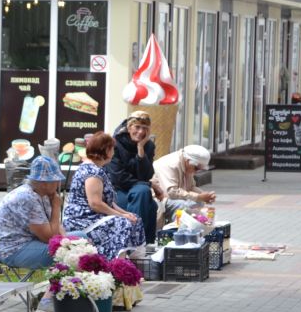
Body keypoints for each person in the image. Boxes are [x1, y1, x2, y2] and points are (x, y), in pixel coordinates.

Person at [62, 132, 146, 259]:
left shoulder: (99, 169)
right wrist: (122, 216)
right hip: (81, 220)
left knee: (135, 219)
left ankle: (137, 263)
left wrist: (126, 213)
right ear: (106, 150)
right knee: (122, 223)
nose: (114, 152)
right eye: (113, 149)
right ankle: (117, 263)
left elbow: (108, 202)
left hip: (94, 217)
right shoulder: (92, 171)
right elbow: (95, 204)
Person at [0, 154, 69, 271]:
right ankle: (68, 285)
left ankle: (72, 284)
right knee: (65, 251)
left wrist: (66, 240)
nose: (59, 183)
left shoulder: (43, 193)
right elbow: (50, 238)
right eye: (55, 180)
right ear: (44, 183)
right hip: (13, 249)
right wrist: (56, 207)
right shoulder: (27, 198)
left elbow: (56, 228)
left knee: (81, 240)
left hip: (30, 241)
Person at [105, 110, 164, 244]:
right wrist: (150, 185)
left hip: (137, 188)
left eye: (145, 128)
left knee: (150, 203)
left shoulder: (148, 145)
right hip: (117, 189)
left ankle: (142, 242)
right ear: (129, 127)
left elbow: (147, 174)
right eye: (137, 127)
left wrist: (141, 150)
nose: (141, 132)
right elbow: (118, 178)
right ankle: (137, 241)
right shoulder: (115, 144)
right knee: (145, 196)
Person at [151, 145, 216, 224]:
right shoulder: (171, 164)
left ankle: (194, 226)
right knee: (182, 206)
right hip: (158, 198)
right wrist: (198, 197)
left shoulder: (188, 165)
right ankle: (179, 231)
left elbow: (191, 187)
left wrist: (204, 195)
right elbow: (171, 192)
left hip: (171, 197)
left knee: (199, 202)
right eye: (196, 168)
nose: (196, 171)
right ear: (188, 161)